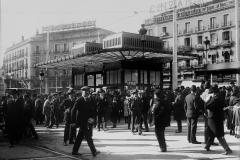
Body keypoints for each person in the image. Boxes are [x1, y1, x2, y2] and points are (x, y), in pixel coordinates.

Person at [71, 86, 100, 157]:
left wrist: (93, 118)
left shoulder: (91, 100)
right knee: (88, 137)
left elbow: (94, 110)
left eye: (87, 92)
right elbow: (73, 111)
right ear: (82, 92)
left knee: (79, 137)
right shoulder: (79, 100)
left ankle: (74, 151)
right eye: (84, 92)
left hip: (88, 122)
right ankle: (94, 151)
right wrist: (73, 122)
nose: (86, 93)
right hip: (82, 122)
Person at [205, 85, 232, 155]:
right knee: (211, 133)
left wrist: (207, 100)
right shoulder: (220, 97)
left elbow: (206, 106)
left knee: (218, 135)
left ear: (213, 93)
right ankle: (207, 146)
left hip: (213, 119)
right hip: (219, 118)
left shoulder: (214, 98)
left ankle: (227, 149)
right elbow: (224, 105)